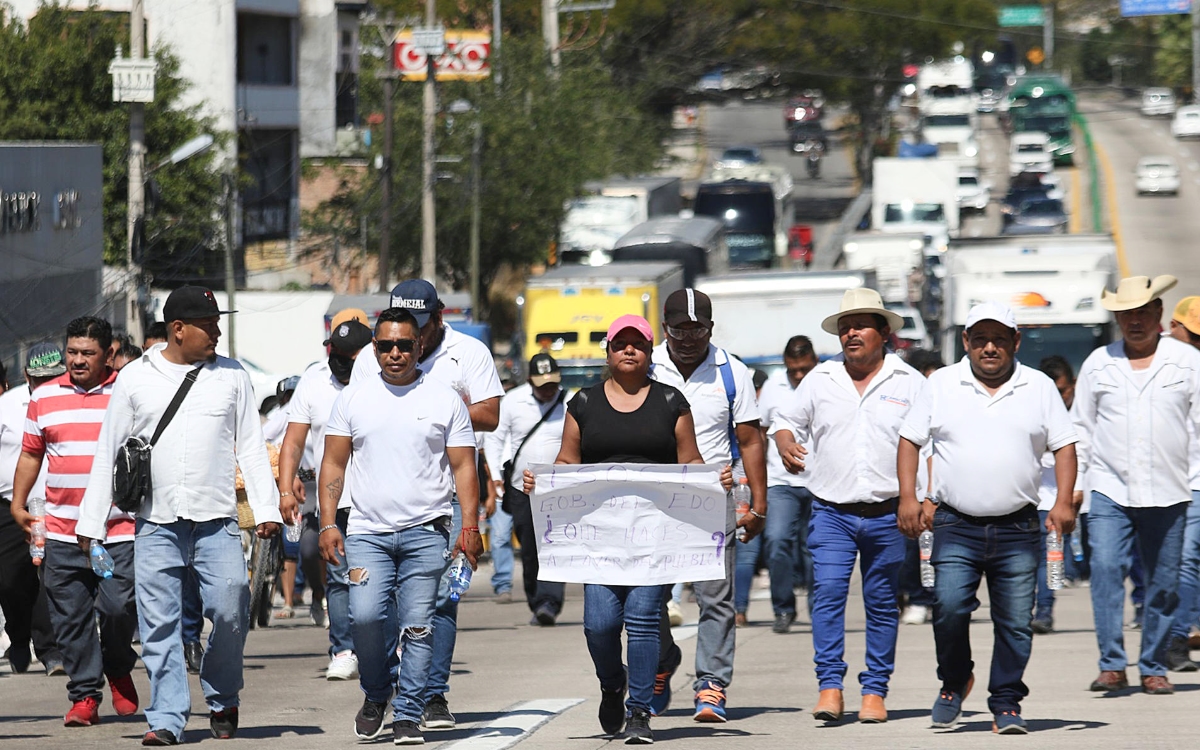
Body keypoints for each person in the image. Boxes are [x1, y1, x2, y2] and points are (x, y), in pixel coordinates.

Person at [76, 285, 282, 745]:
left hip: (218, 522)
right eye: (208, 325)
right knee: (159, 626)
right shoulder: (135, 379)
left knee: (231, 610)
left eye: (217, 323)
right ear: (178, 329)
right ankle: (167, 717)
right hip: (155, 524)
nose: (217, 332)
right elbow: (107, 451)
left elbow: (250, 447)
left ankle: (223, 693)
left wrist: (267, 510)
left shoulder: (232, 376)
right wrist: (90, 524)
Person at [523, 314, 723, 745]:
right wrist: (542, 482)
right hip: (601, 538)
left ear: (650, 352)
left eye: (638, 344)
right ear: (608, 352)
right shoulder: (584, 403)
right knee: (599, 623)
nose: (628, 350)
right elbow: (567, 462)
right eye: (620, 344)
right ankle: (613, 683)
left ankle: (638, 711)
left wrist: (715, 481)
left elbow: (690, 461)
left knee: (643, 619)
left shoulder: (672, 402)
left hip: (656, 534)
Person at [898, 302, 1079, 734]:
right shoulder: (941, 384)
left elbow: (1065, 445)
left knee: (1016, 622)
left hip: (1018, 527)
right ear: (966, 342)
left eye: (1000, 338)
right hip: (956, 524)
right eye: (980, 339)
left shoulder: (1038, 387)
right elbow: (909, 441)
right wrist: (909, 496)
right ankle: (954, 681)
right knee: (949, 607)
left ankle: (1006, 702)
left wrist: (1064, 502)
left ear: (1016, 341)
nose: (990, 347)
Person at [318, 307, 483, 746]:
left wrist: (470, 527)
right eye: (386, 345)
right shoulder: (353, 398)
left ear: (420, 346)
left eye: (404, 345)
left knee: (418, 626)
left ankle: (407, 713)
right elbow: (333, 462)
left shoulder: (444, 399)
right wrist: (327, 524)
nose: (395, 353)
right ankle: (376, 694)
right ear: (374, 349)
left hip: (427, 531)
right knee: (366, 618)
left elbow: (465, 467)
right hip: (367, 533)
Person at [352, 279, 503, 730]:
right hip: (384, 493)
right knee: (379, 608)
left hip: (452, 490)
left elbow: (491, 414)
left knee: (441, 599)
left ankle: (432, 695)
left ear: (438, 318)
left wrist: (441, 405)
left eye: (418, 328)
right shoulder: (372, 354)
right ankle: (387, 687)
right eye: (397, 331)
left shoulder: (469, 352)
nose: (405, 341)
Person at [770, 288, 924, 724]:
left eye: (860, 325)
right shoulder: (821, 377)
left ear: (884, 333)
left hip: (888, 513)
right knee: (829, 596)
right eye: (844, 326)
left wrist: (924, 499)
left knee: (880, 602)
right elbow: (785, 419)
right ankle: (830, 687)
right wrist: (784, 439)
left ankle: (875, 691)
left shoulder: (910, 382)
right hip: (832, 512)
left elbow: (931, 443)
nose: (851, 332)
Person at [1074, 275, 1200, 696]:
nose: (1135, 321)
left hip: (1173, 489)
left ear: (1159, 313)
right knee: (1107, 570)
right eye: (1126, 313)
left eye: (1143, 311)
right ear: (1116, 318)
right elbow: (1082, 429)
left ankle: (1153, 664)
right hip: (1110, 489)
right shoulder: (1099, 363)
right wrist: (1075, 486)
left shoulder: (1186, 361)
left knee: (1165, 582)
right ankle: (1112, 663)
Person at [10, 320, 139, 727]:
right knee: (70, 618)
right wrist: (17, 504)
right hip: (63, 531)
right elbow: (32, 454)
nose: (78, 360)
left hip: (118, 529)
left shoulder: (129, 392)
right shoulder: (44, 397)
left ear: (108, 354)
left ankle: (118, 666)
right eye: (72, 352)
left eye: (88, 353)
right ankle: (84, 695)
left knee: (119, 608)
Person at [650, 289, 766, 724]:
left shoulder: (731, 372)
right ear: (666, 328)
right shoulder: (646, 364)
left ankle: (711, 685)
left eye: (697, 328)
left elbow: (752, 439)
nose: (688, 337)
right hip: (652, 501)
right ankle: (661, 662)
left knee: (715, 598)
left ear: (710, 330)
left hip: (711, 499)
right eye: (680, 328)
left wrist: (759, 502)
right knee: (649, 598)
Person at [278, 316, 374, 679]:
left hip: (378, 501)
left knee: (376, 579)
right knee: (338, 577)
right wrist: (286, 488)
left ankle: (382, 646)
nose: (343, 361)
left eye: (351, 355)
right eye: (337, 353)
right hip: (332, 502)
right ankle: (343, 649)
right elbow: (293, 441)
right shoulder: (313, 383)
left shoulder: (384, 381)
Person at [482, 353, 567, 623]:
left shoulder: (571, 401)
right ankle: (537, 601)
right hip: (522, 488)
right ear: (530, 380)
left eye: (552, 383)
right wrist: (495, 476)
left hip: (561, 489)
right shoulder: (512, 401)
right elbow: (495, 440)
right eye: (542, 385)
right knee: (529, 548)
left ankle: (549, 602)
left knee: (555, 546)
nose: (548, 390)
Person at [0, 345, 63, 676]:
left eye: (54, 378)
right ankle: (19, 636)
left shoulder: (71, 401)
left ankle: (51, 649)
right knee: (11, 580)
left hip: (59, 505)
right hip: (12, 507)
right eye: (40, 379)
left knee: (51, 579)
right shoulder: (6, 407)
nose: (47, 385)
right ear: (25, 377)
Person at [755, 335, 819, 634]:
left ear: (815, 362)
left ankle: (820, 610)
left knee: (814, 549)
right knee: (777, 541)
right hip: (780, 482)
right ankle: (783, 607)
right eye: (793, 369)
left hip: (820, 481)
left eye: (804, 369)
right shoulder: (773, 387)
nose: (798, 376)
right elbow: (759, 432)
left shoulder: (826, 381)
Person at [1162, 295, 1200, 671]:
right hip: (1181, 480)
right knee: (1185, 561)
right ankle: (1176, 640)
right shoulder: (1160, 365)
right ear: (1172, 328)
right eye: (1193, 335)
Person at [1031, 355, 1079, 635]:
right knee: (1027, 564)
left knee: (1052, 562)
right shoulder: (1035, 410)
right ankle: (1024, 610)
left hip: (1057, 502)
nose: (1059, 396)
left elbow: (1079, 456)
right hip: (1029, 500)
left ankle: (1045, 611)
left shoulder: (1078, 415)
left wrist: (1073, 493)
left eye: (1062, 390)